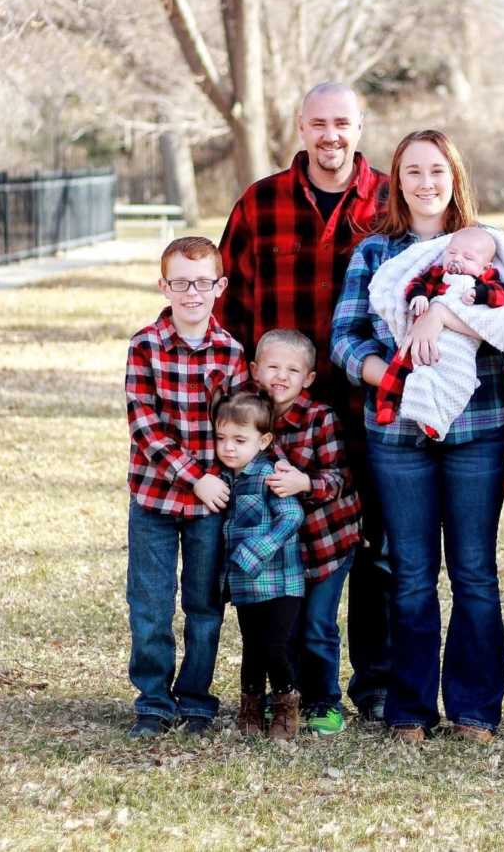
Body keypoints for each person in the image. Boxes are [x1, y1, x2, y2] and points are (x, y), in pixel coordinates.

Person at [214, 82, 391, 723]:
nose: (330, 135)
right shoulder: (260, 204)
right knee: (283, 544)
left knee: (374, 547)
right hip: (280, 417)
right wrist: (242, 407)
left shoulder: (389, 204)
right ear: (300, 128)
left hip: (370, 408)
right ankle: (286, 679)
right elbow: (228, 312)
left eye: (342, 122)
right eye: (318, 123)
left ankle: (373, 685)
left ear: (360, 126)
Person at [331, 129, 504, 743]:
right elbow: (345, 338)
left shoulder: (486, 249)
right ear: (396, 181)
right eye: (413, 171)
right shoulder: (375, 253)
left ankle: (475, 709)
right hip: (397, 435)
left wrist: (442, 314)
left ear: (455, 177)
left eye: (437, 170)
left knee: (474, 572)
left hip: (477, 427)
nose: (426, 182)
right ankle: (409, 708)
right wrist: (393, 379)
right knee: (409, 572)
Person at [124, 236, 248, 739]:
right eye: (180, 282)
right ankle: (153, 700)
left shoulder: (232, 352)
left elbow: (240, 427)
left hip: (211, 504)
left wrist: (217, 482)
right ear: (164, 285)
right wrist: (194, 476)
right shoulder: (144, 345)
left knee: (204, 604)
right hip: (155, 497)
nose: (191, 293)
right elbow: (145, 424)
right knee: (150, 603)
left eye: (201, 283)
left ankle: (196, 698)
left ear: (219, 286)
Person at [250, 329, 362, 736]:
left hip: (326, 542)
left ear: (308, 379)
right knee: (284, 628)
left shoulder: (320, 418)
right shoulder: (248, 417)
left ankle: (325, 702)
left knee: (318, 625)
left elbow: (339, 479)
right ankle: (285, 699)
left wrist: (305, 484)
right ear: (254, 371)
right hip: (279, 551)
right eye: (272, 367)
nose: (281, 376)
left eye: (292, 370)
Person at [213, 391, 306, 741]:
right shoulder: (226, 478)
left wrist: (253, 552)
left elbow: (292, 516)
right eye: (221, 439)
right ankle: (250, 708)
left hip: (280, 581)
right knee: (251, 645)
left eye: (239, 439)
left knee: (274, 644)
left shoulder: (268, 474)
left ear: (264, 440)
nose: (229, 448)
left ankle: (285, 704)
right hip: (245, 585)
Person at [375, 225, 504, 438]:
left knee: (462, 381)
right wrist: (418, 296)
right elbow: (414, 283)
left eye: (468, 257)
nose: (456, 259)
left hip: (460, 347)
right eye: (452, 253)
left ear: (486, 267)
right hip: (422, 337)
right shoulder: (438, 274)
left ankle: (435, 419)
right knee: (401, 364)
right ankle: (387, 407)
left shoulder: (485, 280)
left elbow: (502, 296)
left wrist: (480, 294)